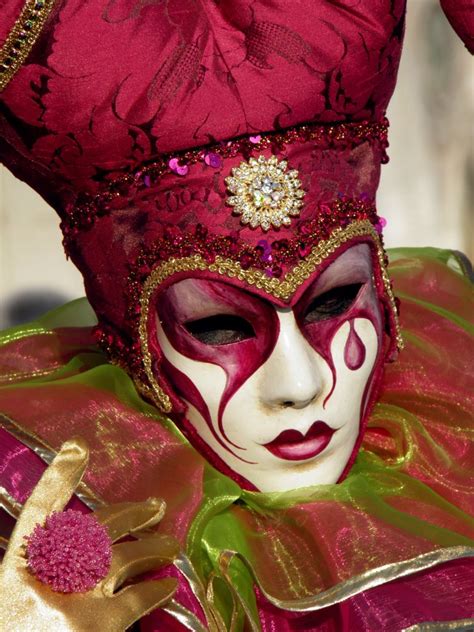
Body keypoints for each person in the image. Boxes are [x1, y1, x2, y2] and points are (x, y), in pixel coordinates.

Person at [0, 1, 473, 630]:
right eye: (218, 328)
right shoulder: (32, 517)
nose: (300, 386)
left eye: (334, 303)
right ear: (134, 338)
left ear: (381, 285)